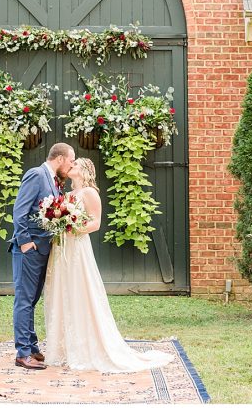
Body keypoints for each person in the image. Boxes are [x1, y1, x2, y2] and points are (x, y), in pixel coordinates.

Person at [42, 157, 173, 372]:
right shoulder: (67, 194)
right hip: (62, 247)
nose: (71, 166)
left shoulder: (90, 193)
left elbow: (95, 222)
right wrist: (57, 223)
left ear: (84, 170)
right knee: (62, 291)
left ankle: (86, 347)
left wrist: (71, 227)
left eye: (75, 165)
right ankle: (64, 347)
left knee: (80, 291)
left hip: (78, 247)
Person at [10, 142, 76, 370]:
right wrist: (26, 243)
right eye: (70, 161)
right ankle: (23, 353)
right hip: (29, 250)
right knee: (25, 299)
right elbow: (19, 211)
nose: (71, 166)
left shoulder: (55, 181)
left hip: (43, 250)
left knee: (33, 299)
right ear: (59, 158)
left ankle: (32, 346)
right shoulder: (36, 175)